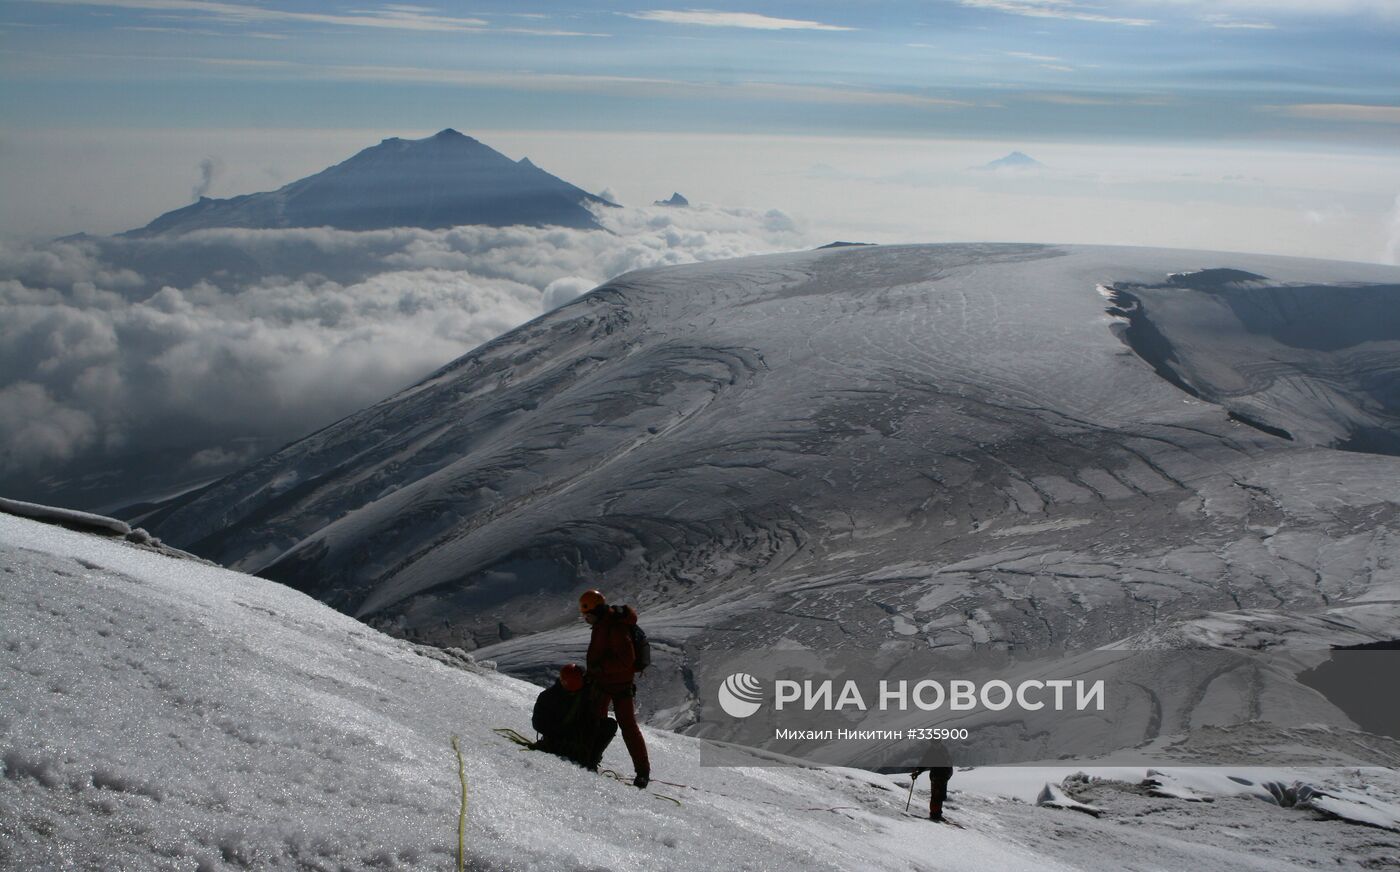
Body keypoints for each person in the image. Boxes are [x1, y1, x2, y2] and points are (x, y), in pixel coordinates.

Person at [579, 588, 651, 788]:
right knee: (620, 725)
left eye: (586, 616)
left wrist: (599, 668)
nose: (585, 620)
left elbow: (626, 660)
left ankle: (641, 772)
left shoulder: (613, 627)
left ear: (593, 612)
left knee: (613, 724)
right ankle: (641, 771)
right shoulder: (605, 624)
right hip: (612, 684)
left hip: (612, 685)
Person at [531, 663, 616, 769]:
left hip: (575, 737)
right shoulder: (549, 697)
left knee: (609, 725)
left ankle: (590, 760)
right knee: (607, 726)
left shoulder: (585, 694)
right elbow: (538, 723)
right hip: (558, 740)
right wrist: (563, 731)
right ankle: (587, 759)